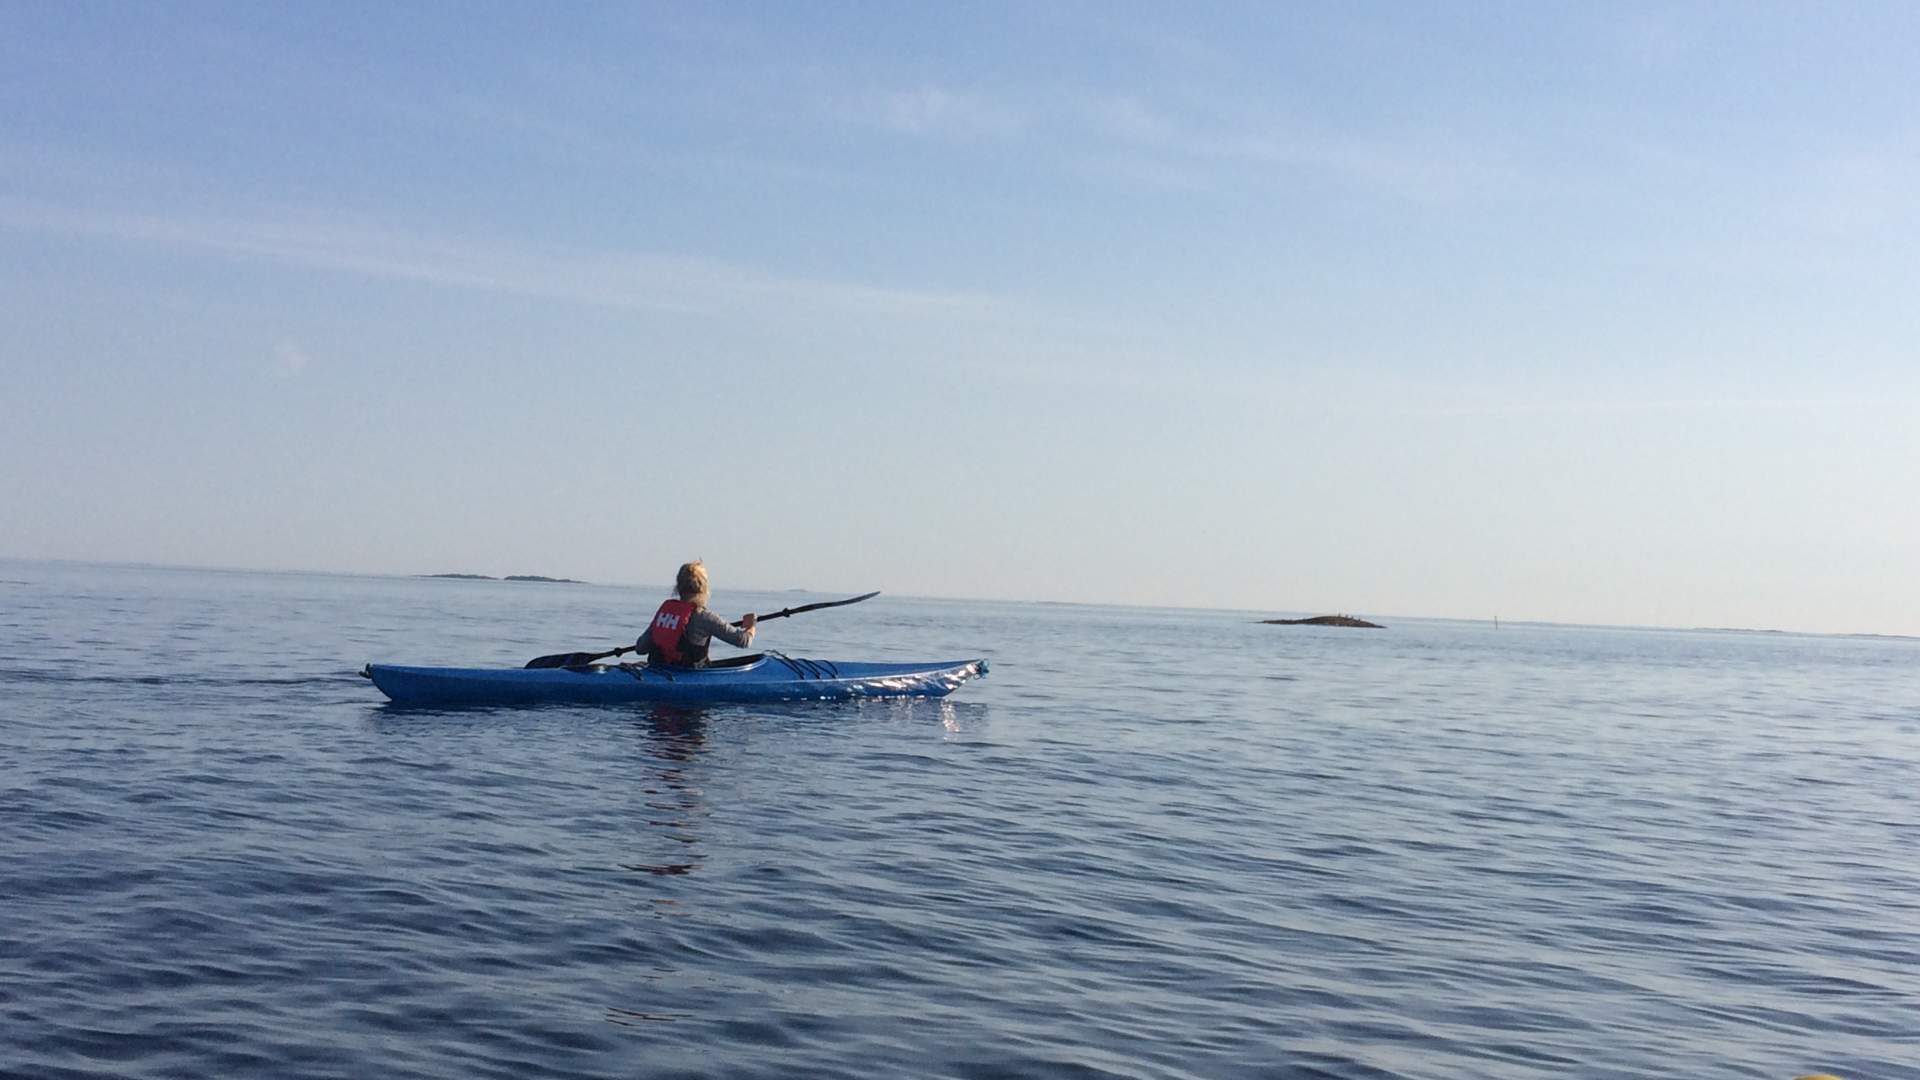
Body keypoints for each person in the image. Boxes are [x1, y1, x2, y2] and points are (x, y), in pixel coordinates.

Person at [642, 560, 757, 667]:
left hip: (659, 669)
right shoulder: (705, 617)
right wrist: (751, 625)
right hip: (688, 674)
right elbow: (743, 641)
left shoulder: (665, 613)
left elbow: (640, 647)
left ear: (678, 587)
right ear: (704, 588)